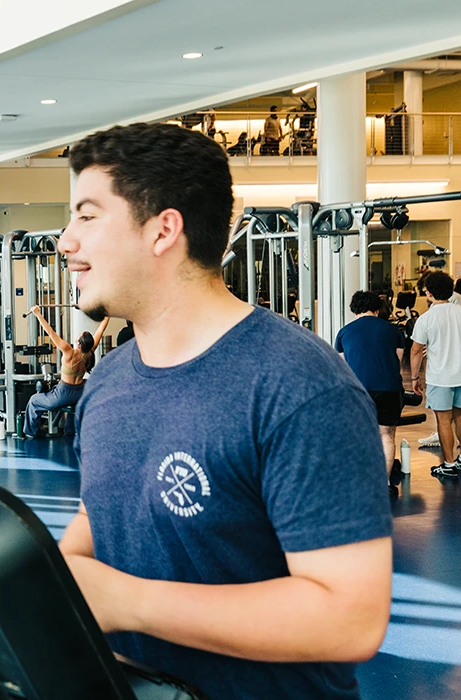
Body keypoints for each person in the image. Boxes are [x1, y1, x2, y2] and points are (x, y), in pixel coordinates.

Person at [57, 123, 391, 699]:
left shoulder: (299, 387)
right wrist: (51, 586)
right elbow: (99, 517)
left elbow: (349, 619)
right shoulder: (109, 378)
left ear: (164, 230)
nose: (66, 240)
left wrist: (127, 602)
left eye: (87, 216)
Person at [335, 291, 405, 489]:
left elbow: (343, 366)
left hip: (357, 391)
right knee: (386, 436)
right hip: (389, 389)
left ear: (354, 310)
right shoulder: (393, 331)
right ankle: (384, 484)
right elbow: (397, 361)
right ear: (377, 309)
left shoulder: (344, 332)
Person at [22, 307, 108, 437]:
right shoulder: (90, 352)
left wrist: (37, 314)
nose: (77, 337)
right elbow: (101, 330)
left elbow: (51, 333)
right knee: (73, 404)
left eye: (78, 337)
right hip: (80, 393)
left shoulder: (69, 352)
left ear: (79, 344)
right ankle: (70, 431)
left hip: (63, 394)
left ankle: (30, 432)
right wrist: (108, 314)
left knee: (34, 400)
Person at [410, 271, 461, 476]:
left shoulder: (426, 318)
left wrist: (414, 378)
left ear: (429, 293)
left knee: (443, 420)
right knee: (460, 418)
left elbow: (415, 351)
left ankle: (448, 464)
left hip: (441, 378)